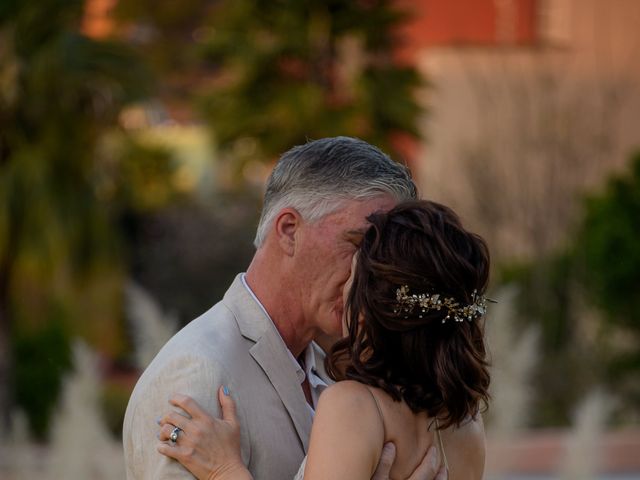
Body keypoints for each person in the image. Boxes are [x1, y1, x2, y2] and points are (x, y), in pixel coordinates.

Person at [123, 137, 447, 480]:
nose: (373, 275)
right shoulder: (198, 371)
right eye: (360, 245)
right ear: (290, 231)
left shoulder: (344, 374)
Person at [156, 200, 491, 479]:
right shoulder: (466, 426)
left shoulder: (353, 407)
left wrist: (225, 471)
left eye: (354, 276)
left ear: (369, 308)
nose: (345, 288)